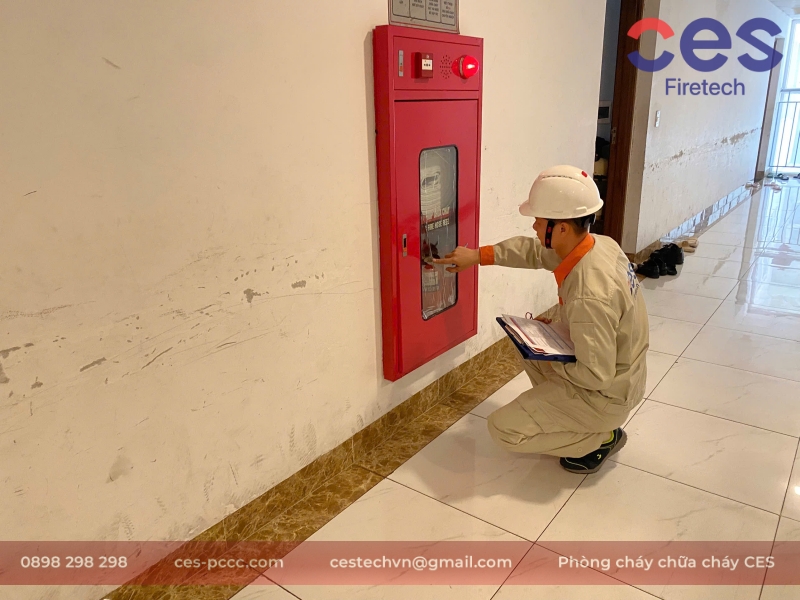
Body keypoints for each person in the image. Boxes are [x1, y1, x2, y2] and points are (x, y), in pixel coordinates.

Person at [433, 165, 649, 474]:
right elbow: (534, 253)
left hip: (607, 394)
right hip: (623, 375)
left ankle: (600, 437)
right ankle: (572, 414)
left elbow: (596, 375)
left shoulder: (589, 293)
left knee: (502, 429)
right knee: (531, 346)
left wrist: (556, 353)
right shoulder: (599, 245)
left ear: (561, 228)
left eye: (540, 219)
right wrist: (478, 256)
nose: (534, 225)